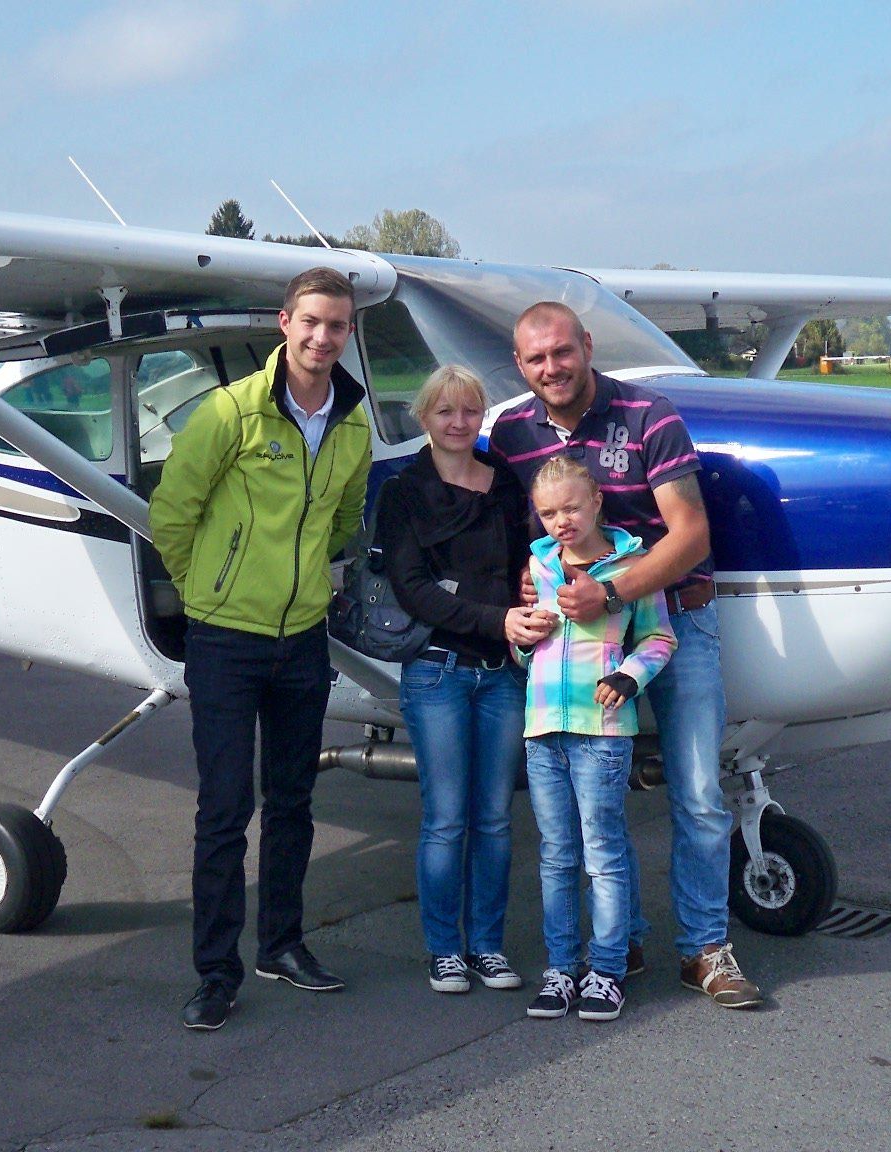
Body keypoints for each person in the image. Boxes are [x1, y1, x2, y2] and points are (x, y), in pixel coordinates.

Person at [488, 301, 764, 1010]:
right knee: (598, 802)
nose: (552, 367)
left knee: (697, 793)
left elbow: (691, 534)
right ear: (519, 365)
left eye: (562, 351)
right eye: (536, 358)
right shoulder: (513, 433)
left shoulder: (649, 416)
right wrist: (525, 582)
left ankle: (704, 949)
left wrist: (611, 594)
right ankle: (623, 941)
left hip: (673, 622)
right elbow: (519, 534)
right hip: (577, 647)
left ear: (586, 345)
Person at [149, 266, 373, 1032]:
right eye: (310, 321)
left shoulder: (352, 424)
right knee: (223, 810)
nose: (322, 337)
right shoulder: (231, 411)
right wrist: (207, 590)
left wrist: (302, 583)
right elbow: (172, 513)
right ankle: (216, 973)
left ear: (348, 333)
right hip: (225, 639)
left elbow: (343, 520)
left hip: (302, 639)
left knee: (293, 803)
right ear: (285, 323)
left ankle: (281, 945)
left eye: (336, 325)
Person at [375, 365, 547, 996]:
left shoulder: (504, 484)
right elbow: (413, 589)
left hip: (501, 675)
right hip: (437, 672)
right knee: (447, 818)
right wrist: (496, 619)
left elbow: (528, 560)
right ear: (424, 417)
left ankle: (487, 946)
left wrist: (530, 586)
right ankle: (444, 949)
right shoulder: (404, 491)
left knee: (495, 819)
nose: (458, 422)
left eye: (470, 411)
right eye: (445, 411)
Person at [516, 455, 676, 1022]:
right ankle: (561, 968)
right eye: (548, 513)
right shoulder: (539, 566)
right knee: (556, 855)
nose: (561, 521)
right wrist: (522, 637)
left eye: (571, 508)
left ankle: (607, 970)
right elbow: (528, 648)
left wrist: (629, 676)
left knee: (602, 852)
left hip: (602, 733)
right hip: (542, 729)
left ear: (597, 503)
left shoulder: (631, 566)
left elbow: (659, 637)